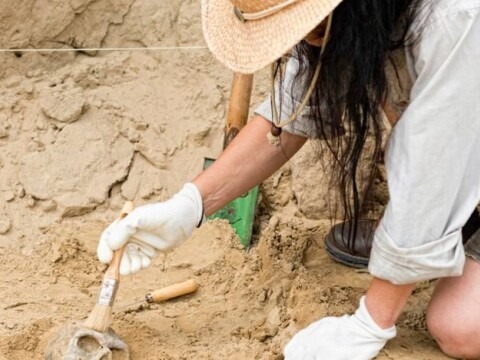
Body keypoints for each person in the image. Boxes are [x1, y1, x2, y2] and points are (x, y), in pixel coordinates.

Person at [97, 0, 480, 358]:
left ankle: (441, 233)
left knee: (459, 327)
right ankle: (449, 230)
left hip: (456, 158)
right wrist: (190, 205)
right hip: (463, 158)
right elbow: (293, 110)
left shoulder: (455, 18)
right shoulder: (360, 13)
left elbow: (433, 165)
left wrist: (372, 321)